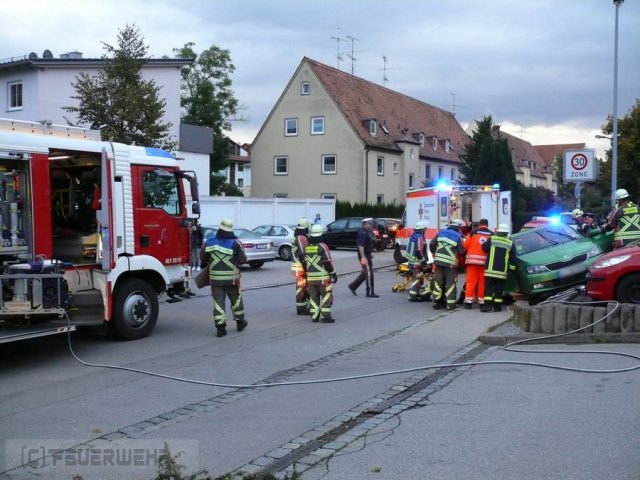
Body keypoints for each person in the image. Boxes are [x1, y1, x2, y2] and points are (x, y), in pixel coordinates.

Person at [200, 218, 248, 337]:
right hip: (232, 280)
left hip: (215, 279)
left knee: (218, 303)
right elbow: (242, 260)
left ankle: (220, 329)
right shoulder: (235, 243)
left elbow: (202, 257)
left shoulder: (209, 242)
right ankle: (240, 323)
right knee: (236, 301)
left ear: (219, 229)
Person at [303, 224, 338, 323]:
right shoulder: (323, 246)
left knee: (313, 297)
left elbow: (304, 262)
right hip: (323, 278)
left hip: (310, 278)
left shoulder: (306, 247)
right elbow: (327, 262)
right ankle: (325, 317)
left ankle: (314, 316)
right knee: (326, 296)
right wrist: (333, 273)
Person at [430, 219, 466, 310]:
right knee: (450, 284)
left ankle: (436, 303)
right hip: (450, 264)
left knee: (438, 282)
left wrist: (434, 253)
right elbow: (461, 251)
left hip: (438, 262)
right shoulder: (458, 236)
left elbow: (431, 243)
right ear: (458, 227)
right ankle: (450, 305)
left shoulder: (441, 232)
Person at [481, 223, 517, 312]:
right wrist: (512, 269)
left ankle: (487, 307)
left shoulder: (492, 239)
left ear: (498, 231)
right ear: (506, 233)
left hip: (490, 270)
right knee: (499, 289)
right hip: (502, 272)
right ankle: (497, 307)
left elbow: (484, 248)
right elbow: (513, 258)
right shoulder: (510, 243)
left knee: (488, 289)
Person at [462, 218, 492, 309]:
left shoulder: (472, 233)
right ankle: (481, 301)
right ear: (487, 225)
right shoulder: (492, 235)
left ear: (479, 225)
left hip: (472, 262)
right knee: (482, 282)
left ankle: (468, 302)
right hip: (484, 263)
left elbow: (465, 246)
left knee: (471, 281)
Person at [348, 218, 379, 298]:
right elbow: (360, 246)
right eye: (370, 224)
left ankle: (353, 286)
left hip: (367, 254)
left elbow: (371, 241)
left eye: (372, 224)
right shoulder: (362, 233)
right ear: (365, 224)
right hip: (364, 255)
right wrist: (363, 257)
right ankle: (370, 292)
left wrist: (374, 239)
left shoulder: (368, 232)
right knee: (369, 273)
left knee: (365, 272)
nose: (371, 225)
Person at [405, 221, 430, 302]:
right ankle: (412, 296)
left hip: (412, 261)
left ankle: (415, 293)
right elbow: (418, 251)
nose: (426, 230)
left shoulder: (414, 235)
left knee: (419, 278)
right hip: (416, 262)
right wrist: (424, 263)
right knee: (417, 279)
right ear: (422, 229)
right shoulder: (419, 237)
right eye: (425, 229)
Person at [291, 217, 310, 315]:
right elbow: (303, 253)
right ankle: (303, 308)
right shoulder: (301, 238)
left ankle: (300, 308)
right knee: (302, 286)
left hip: (296, 265)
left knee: (300, 286)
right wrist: (306, 267)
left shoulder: (295, 237)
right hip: (301, 265)